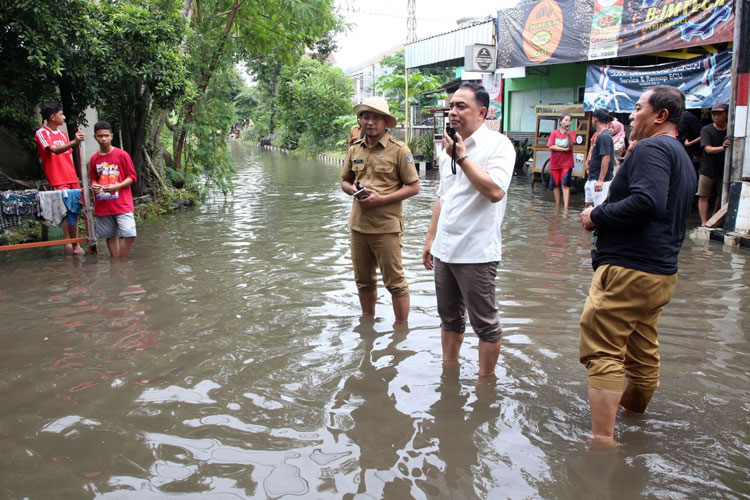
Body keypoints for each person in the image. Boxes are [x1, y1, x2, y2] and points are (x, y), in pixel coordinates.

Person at [578, 85, 697, 445]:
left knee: (603, 349)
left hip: (628, 268)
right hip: (661, 272)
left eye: (639, 107)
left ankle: (602, 441)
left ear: (661, 116)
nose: (631, 114)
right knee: (643, 349)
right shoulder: (681, 156)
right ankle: (632, 415)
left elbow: (647, 202)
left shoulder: (651, 147)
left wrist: (595, 215)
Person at [421, 82, 515, 378]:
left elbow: (495, 192)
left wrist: (462, 156)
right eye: (451, 107)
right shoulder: (449, 147)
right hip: (445, 248)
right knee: (449, 318)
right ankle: (449, 373)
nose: (452, 112)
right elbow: (443, 195)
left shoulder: (498, 145)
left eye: (461, 106)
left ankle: (485, 383)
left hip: (477, 251)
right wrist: (430, 238)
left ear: (482, 112)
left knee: (485, 323)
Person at [340, 97, 419, 322]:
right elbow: (345, 181)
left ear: (385, 122)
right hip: (358, 227)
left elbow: (413, 187)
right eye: (366, 117)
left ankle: (401, 331)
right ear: (360, 120)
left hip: (386, 228)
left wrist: (381, 200)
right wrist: (353, 189)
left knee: (395, 283)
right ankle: (368, 323)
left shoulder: (400, 150)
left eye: (376, 117)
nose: (370, 122)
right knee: (363, 281)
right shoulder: (355, 149)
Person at [34, 102, 86, 255]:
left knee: (75, 209)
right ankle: (73, 244)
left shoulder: (63, 134)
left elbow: (67, 153)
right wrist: (74, 142)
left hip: (71, 176)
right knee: (67, 210)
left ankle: (71, 242)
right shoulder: (42, 133)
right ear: (52, 116)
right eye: (61, 114)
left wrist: (74, 143)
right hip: (58, 178)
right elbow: (55, 150)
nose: (64, 117)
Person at [89, 121, 138, 258]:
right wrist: (94, 185)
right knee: (110, 236)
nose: (103, 139)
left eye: (106, 135)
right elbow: (93, 178)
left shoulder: (122, 155)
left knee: (129, 235)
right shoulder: (94, 159)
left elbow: (132, 177)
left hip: (122, 203)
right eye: (100, 136)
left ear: (111, 136)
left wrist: (117, 186)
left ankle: (119, 262)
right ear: (95, 137)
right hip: (103, 204)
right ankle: (117, 269)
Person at [697, 102, 729, 226]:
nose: (716, 117)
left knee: (722, 195)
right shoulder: (707, 129)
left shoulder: (731, 128)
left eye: (719, 114)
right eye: (714, 114)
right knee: (704, 195)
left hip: (724, 168)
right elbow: (708, 149)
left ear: (726, 114)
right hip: (707, 168)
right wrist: (722, 148)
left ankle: (714, 219)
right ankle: (704, 223)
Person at [584, 110, 614, 208]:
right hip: (593, 178)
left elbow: (606, 158)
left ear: (595, 119)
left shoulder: (604, 136)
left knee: (599, 208)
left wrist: (601, 180)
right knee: (589, 206)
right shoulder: (600, 135)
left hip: (600, 180)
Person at [547, 113, 576, 212]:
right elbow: (550, 146)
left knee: (565, 184)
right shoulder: (554, 133)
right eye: (566, 120)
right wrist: (563, 149)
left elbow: (571, 146)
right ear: (561, 122)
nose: (567, 122)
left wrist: (568, 136)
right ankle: (557, 207)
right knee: (555, 184)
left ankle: (566, 209)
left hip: (567, 163)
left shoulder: (572, 133)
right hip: (555, 163)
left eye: (569, 120)